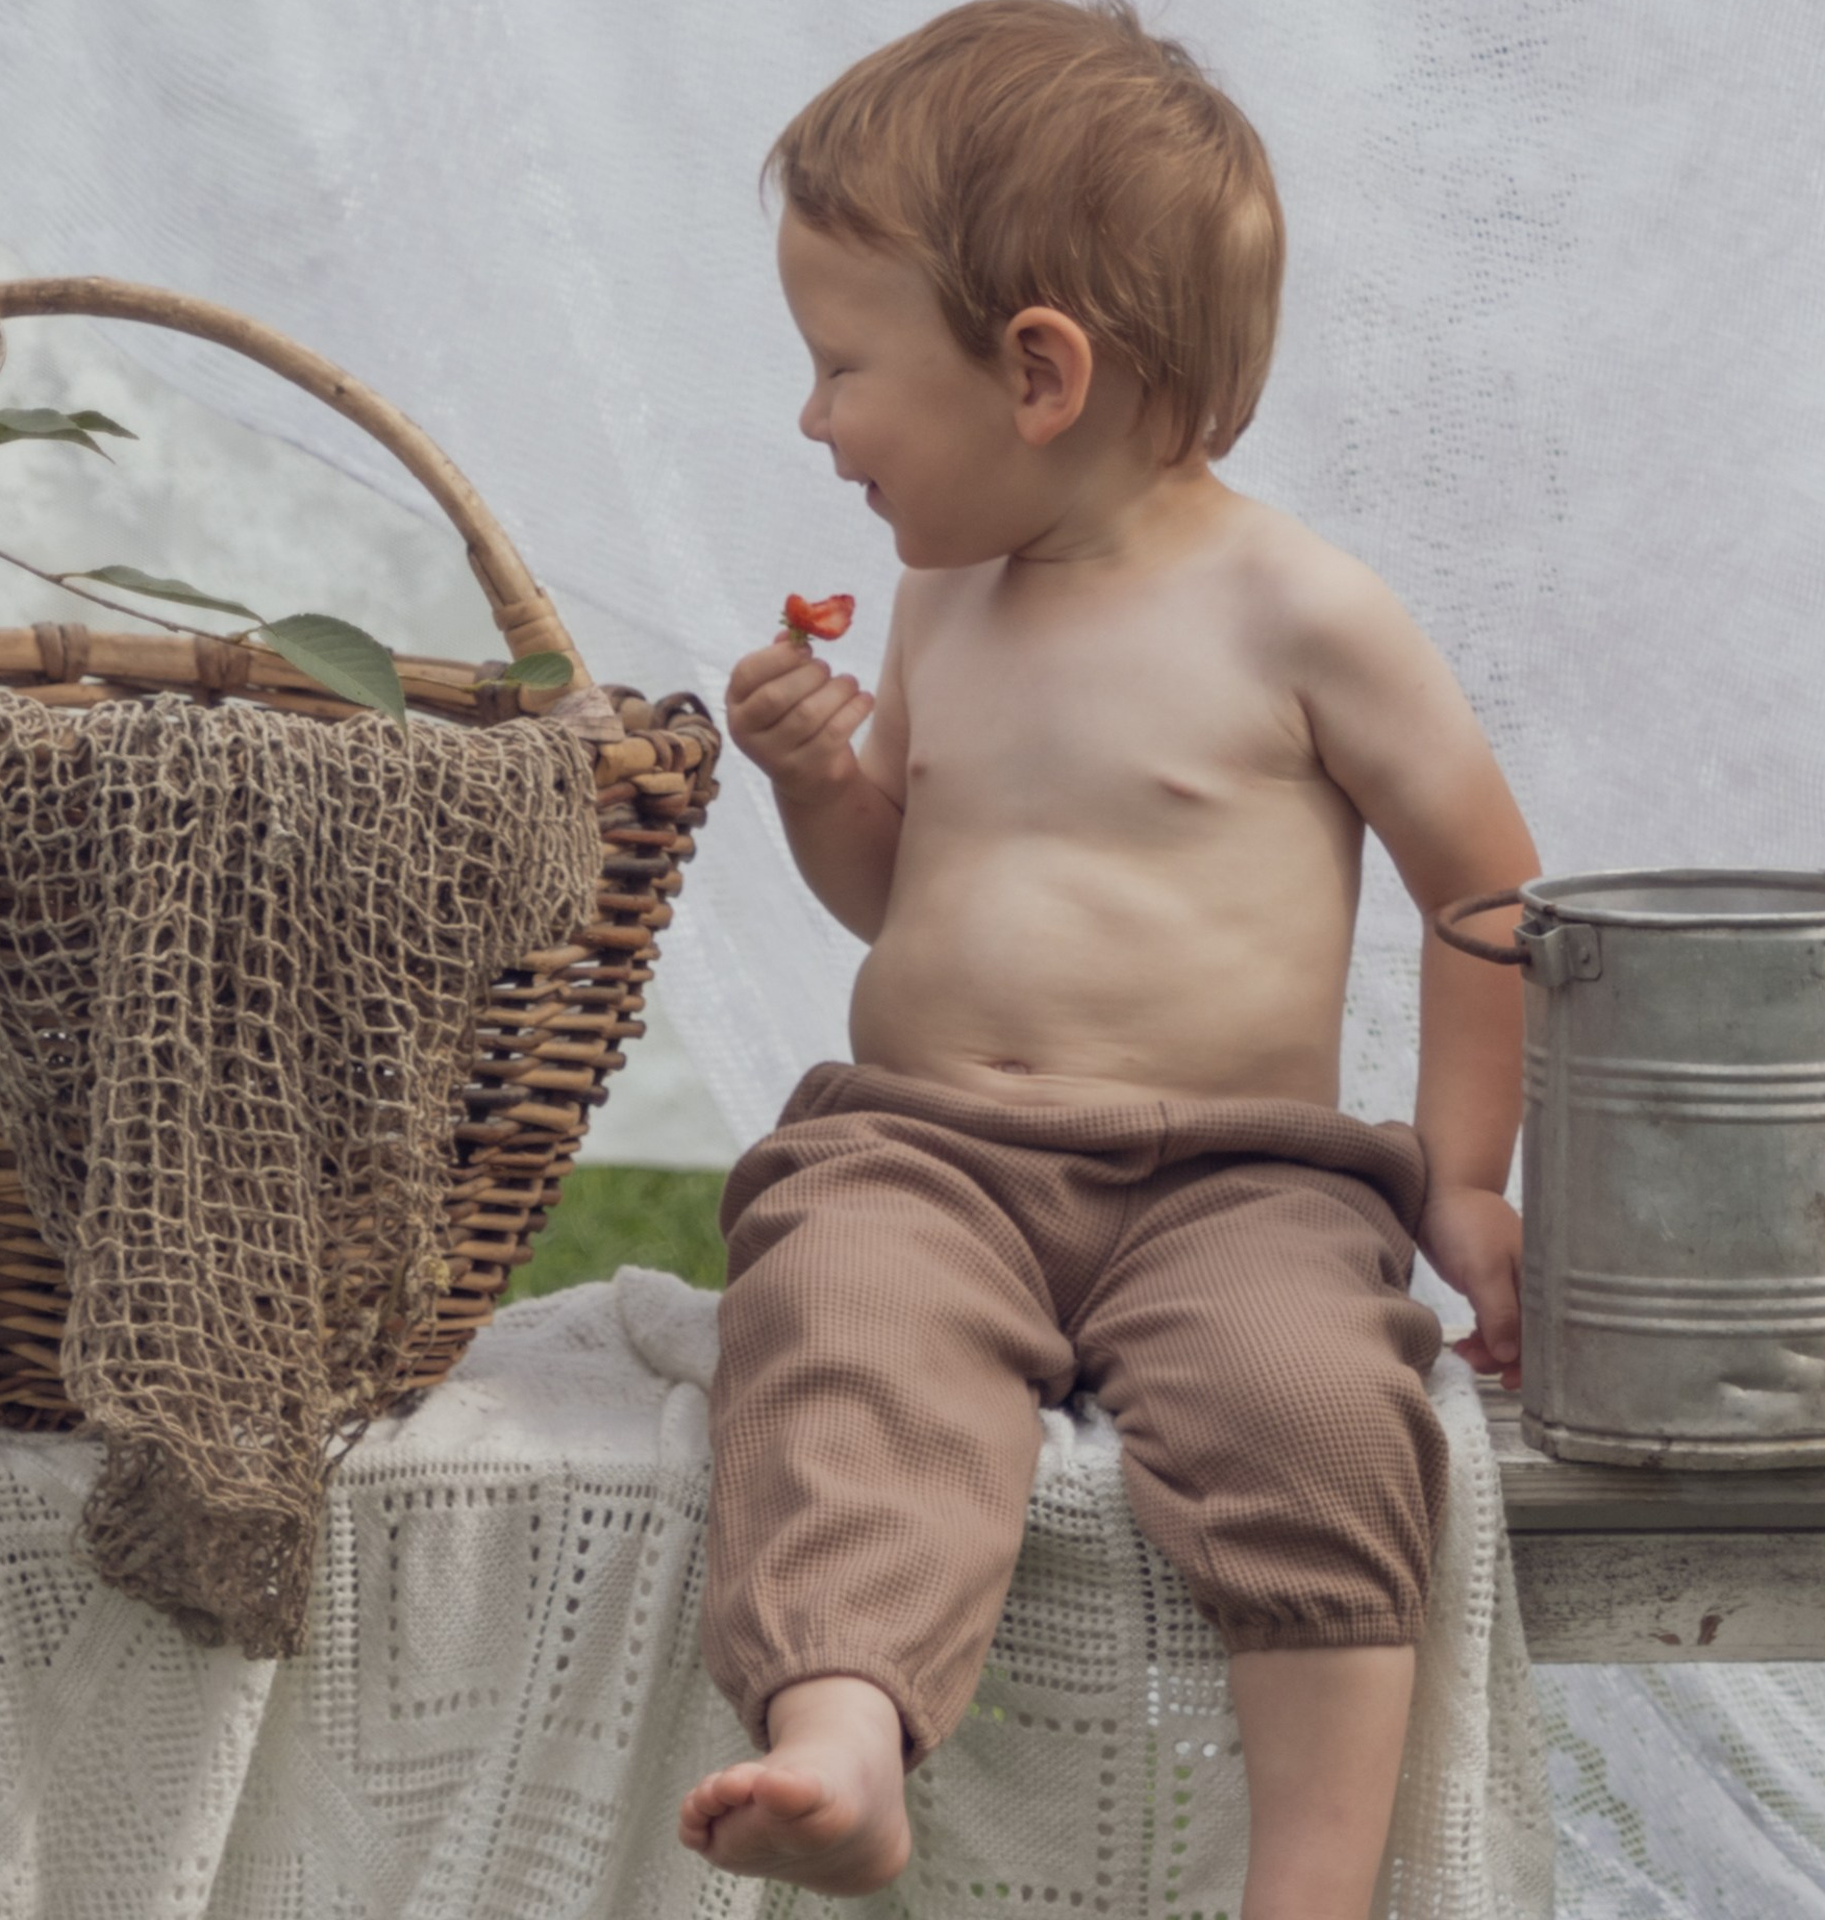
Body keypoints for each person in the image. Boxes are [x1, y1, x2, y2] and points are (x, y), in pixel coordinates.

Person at [677, 4, 1538, 1912]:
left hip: (1237, 1180)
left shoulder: (1300, 611)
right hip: (926, 1151)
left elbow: (1486, 895)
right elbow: (898, 895)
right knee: (837, 1331)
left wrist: (1463, 1174)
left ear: (1038, 371)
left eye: (841, 367)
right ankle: (844, 1734)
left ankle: (1312, 1881)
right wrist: (820, 785)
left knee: (1317, 1409)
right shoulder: (939, 598)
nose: (814, 420)